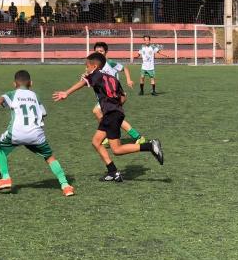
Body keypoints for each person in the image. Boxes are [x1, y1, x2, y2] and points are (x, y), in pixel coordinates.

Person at [53, 52, 163, 182]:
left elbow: (83, 82)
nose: (86, 69)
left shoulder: (95, 75)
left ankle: (150, 146)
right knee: (96, 142)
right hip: (114, 113)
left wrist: (66, 93)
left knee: (116, 149)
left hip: (111, 115)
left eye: (87, 66)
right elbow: (123, 97)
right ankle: (113, 172)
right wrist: (115, 107)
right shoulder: (113, 78)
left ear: (94, 66)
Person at [0, 69, 74, 196]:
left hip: (17, 133)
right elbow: (43, 114)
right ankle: (65, 185)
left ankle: (5, 177)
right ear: (31, 83)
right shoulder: (35, 96)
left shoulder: (12, 94)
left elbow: (0, 100)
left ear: (14, 84)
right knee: (50, 157)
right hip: (36, 135)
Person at [92, 41, 145, 145]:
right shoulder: (95, 66)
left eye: (101, 51)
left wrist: (129, 80)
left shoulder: (110, 63)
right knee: (112, 118)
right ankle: (112, 134)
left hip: (115, 96)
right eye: (97, 51)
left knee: (98, 112)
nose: (99, 53)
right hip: (106, 97)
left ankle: (135, 136)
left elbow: (124, 68)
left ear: (106, 52)